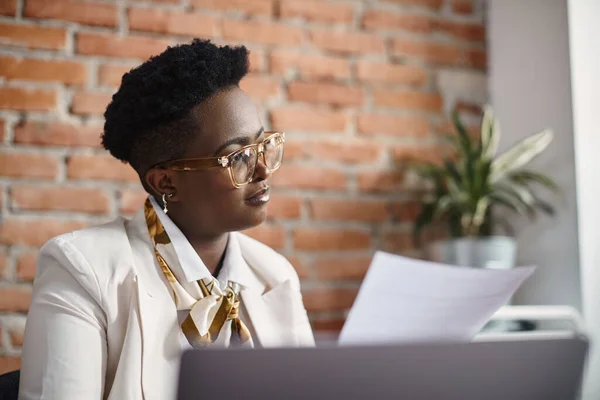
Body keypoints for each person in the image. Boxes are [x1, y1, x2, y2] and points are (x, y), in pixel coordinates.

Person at [18, 39, 315, 400]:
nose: (264, 169)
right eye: (237, 157)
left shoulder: (275, 274)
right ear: (166, 181)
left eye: (262, 145)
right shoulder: (82, 270)